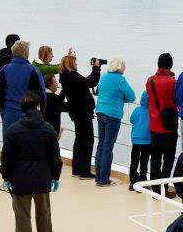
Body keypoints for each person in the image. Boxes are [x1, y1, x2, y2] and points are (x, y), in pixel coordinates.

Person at [1, 93, 62, 232]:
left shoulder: (13, 130)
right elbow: (55, 157)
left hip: (20, 178)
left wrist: (6, 177)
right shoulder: (48, 129)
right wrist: (55, 177)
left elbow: (7, 157)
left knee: (22, 214)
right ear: (38, 107)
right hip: (43, 176)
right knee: (44, 212)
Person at [58, 53, 102, 179]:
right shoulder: (73, 76)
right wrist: (96, 68)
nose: (77, 64)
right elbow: (90, 82)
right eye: (75, 62)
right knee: (87, 140)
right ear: (71, 64)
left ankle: (77, 169)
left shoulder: (64, 77)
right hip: (83, 112)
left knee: (79, 140)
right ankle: (84, 171)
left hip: (75, 111)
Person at [94, 56, 136, 186]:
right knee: (108, 147)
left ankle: (98, 177)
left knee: (101, 145)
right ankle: (103, 180)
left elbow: (99, 91)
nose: (124, 68)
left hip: (100, 111)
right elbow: (132, 96)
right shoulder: (120, 80)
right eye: (123, 66)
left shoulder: (104, 77)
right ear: (119, 67)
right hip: (112, 115)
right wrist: (120, 99)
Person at [0, 40, 47, 132]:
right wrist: (41, 110)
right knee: (27, 143)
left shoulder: (4, 70)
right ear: (26, 53)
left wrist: (1, 107)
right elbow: (42, 93)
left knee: (9, 142)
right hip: (29, 114)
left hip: (8, 113)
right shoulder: (33, 70)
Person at [146, 53, 178, 194]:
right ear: (170, 65)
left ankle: (155, 188)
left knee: (155, 160)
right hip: (169, 127)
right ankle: (164, 188)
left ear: (158, 64)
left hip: (154, 127)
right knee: (168, 160)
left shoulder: (150, 81)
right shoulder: (173, 83)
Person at [128, 89, 151, 191]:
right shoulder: (151, 112)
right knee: (144, 161)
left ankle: (133, 181)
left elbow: (131, 119)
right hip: (147, 141)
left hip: (136, 140)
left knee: (134, 160)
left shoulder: (137, 110)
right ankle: (143, 180)